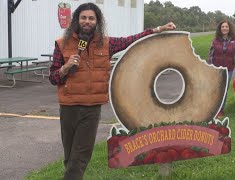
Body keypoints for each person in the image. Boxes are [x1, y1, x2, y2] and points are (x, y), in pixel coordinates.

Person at [49, 3, 176, 179]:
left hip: (91, 109)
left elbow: (132, 39)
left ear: (97, 21)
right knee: (70, 156)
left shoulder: (106, 44)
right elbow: (53, 78)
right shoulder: (62, 44)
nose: (87, 21)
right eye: (83, 17)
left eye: (91, 18)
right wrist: (65, 67)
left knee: (80, 157)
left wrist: (157, 29)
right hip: (68, 107)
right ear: (76, 20)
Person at [208, 20, 235, 118]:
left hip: (228, 69)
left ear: (229, 29)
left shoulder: (234, 42)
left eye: (226, 27)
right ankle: (212, 108)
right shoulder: (215, 41)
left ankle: (220, 110)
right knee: (216, 89)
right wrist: (210, 68)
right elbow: (211, 56)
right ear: (220, 29)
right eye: (222, 27)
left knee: (224, 90)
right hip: (216, 69)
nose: (224, 28)